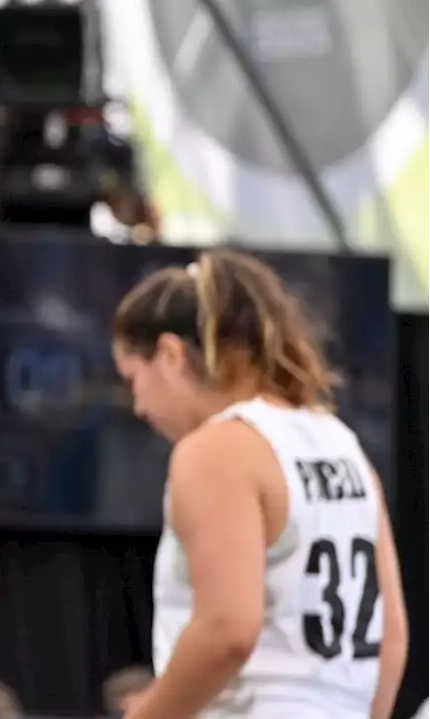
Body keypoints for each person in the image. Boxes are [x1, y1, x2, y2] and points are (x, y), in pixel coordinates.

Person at [110, 250, 408, 719]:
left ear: (170, 355)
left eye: (132, 379)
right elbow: (390, 635)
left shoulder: (218, 449)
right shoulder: (343, 444)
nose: (138, 406)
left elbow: (228, 629)